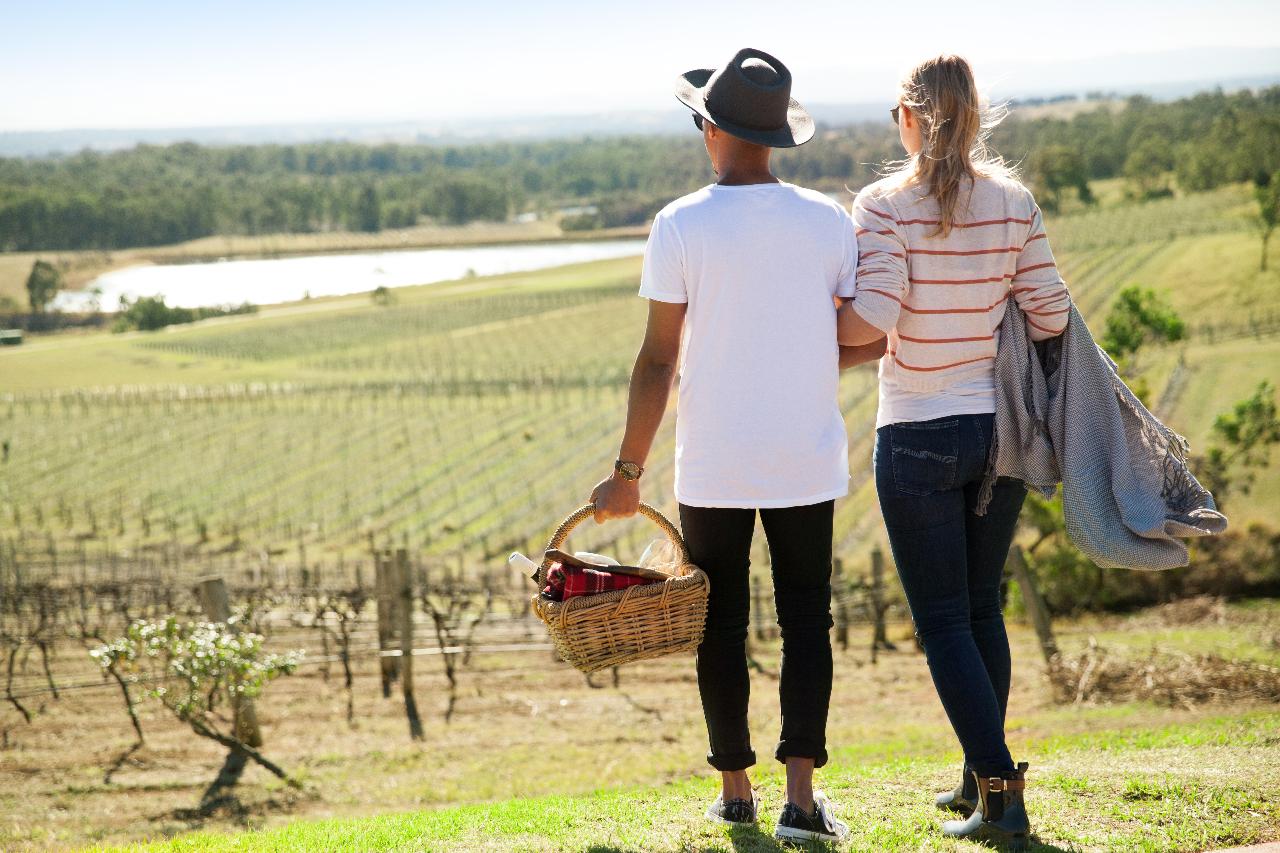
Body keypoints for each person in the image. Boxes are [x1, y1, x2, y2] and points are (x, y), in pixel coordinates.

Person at [588, 47, 883, 843]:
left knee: (717, 624)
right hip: (805, 457)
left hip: (713, 463)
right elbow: (861, 336)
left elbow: (657, 357)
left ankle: (735, 792)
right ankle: (802, 801)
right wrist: (816, 358)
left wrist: (626, 472)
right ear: (777, 133)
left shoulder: (679, 224)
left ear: (710, 129)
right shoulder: (827, 219)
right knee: (806, 622)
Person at [836, 55, 1071, 849]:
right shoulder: (1014, 202)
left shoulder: (883, 205)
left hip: (917, 433)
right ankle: (978, 771)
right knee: (980, 608)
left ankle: (1002, 792)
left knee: (942, 621)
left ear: (909, 119)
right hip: (999, 432)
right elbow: (1048, 312)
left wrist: (813, 324)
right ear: (974, 115)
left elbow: (872, 314)